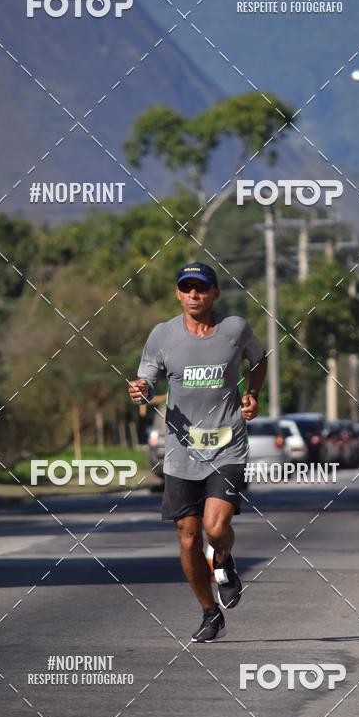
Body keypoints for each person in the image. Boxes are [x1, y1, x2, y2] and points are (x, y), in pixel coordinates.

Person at [128, 262, 266, 641]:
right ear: (178, 293)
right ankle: (209, 612)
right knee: (188, 538)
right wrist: (140, 388)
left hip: (226, 446)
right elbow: (147, 377)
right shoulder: (162, 335)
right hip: (180, 452)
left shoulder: (234, 329)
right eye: (186, 287)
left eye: (201, 288)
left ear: (215, 293)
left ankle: (223, 561)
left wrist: (253, 394)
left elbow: (259, 358)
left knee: (215, 526)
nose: (193, 294)